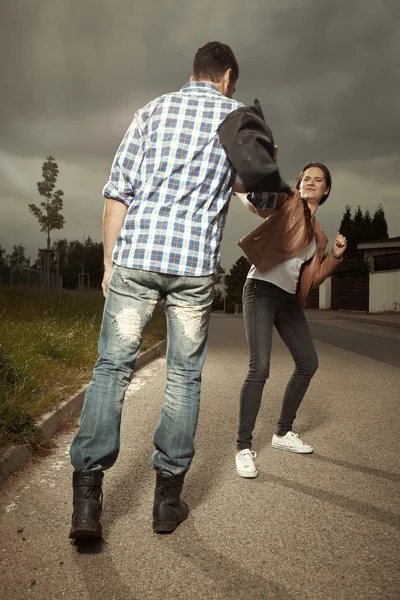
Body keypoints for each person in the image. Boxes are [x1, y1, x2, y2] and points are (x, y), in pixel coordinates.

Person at [68, 41, 291, 539]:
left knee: (111, 368)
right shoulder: (237, 120)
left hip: (137, 259)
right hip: (192, 269)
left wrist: (109, 263)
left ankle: (86, 503)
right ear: (228, 76)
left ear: (195, 72)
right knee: (183, 378)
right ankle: (166, 502)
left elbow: (118, 191)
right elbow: (262, 201)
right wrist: (268, 164)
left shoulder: (151, 111)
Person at [234, 162, 347, 478]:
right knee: (260, 368)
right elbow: (262, 201)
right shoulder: (288, 202)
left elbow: (313, 278)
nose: (311, 182)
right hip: (260, 290)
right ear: (299, 184)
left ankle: (283, 433)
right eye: (306, 178)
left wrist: (334, 256)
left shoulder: (319, 235)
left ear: (326, 190)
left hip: (287, 299)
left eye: (318, 180)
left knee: (308, 362)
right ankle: (243, 448)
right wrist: (257, 171)